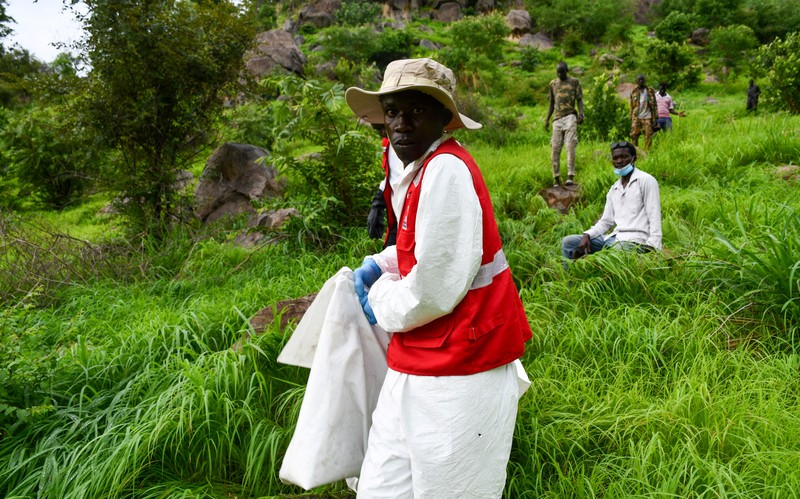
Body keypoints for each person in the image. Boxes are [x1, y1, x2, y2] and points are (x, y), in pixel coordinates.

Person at [345, 57, 532, 498]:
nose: (401, 123)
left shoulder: (446, 170)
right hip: (416, 361)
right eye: (392, 111)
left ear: (442, 118)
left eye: (416, 110)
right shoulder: (422, 169)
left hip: (463, 371)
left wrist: (381, 295)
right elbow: (426, 245)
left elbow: (434, 286)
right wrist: (384, 262)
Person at [561, 140, 662, 262]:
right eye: (615, 158)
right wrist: (587, 234)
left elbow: (654, 213)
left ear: (633, 159)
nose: (619, 161)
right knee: (569, 242)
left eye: (624, 157)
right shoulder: (614, 189)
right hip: (614, 238)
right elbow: (606, 221)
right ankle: (571, 280)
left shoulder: (646, 180)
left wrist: (653, 245)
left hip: (636, 240)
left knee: (618, 250)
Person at [544, 61, 584, 187]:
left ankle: (570, 176)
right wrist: (547, 119)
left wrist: (581, 114)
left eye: (562, 72)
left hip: (570, 116)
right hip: (557, 119)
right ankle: (556, 178)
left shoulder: (574, 82)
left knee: (570, 146)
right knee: (555, 148)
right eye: (558, 72)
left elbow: (579, 99)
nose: (560, 74)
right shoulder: (553, 84)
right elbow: (551, 103)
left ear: (567, 71)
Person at [367, 126, 401, 248]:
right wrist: (378, 202)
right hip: (398, 214)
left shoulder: (412, 144)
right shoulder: (388, 142)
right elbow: (393, 175)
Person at [629, 75, 659, 150]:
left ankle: (647, 153)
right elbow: (631, 106)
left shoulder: (650, 91)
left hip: (647, 117)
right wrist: (631, 117)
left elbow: (654, 105)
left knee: (648, 136)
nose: (641, 81)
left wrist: (655, 118)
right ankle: (635, 152)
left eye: (642, 80)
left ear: (644, 81)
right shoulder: (633, 91)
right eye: (639, 80)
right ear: (636, 81)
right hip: (636, 117)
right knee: (634, 135)